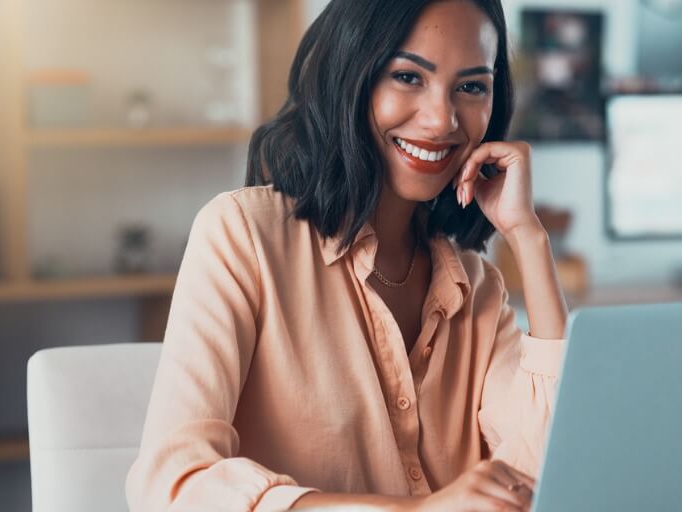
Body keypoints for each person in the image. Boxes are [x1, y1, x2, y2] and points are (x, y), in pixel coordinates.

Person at [126, 1, 568, 510]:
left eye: (471, 87)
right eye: (407, 76)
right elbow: (173, 486)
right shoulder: (243, 237)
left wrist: (529, 238)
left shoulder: (478, 287)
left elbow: (549, 470)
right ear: (350, 76)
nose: (442, 119)